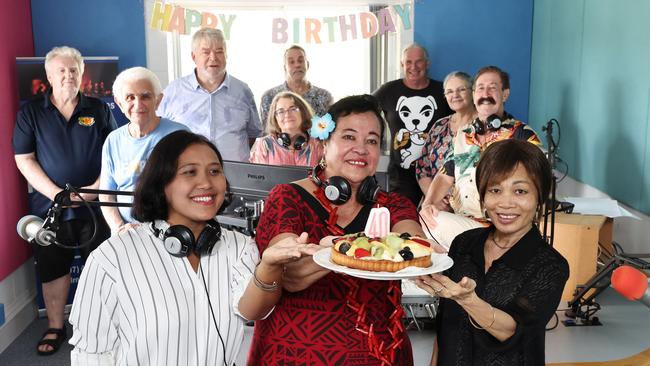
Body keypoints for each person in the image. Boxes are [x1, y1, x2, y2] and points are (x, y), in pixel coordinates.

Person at [69, 130, 319, 365]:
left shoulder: (239, 246)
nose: (206, 184)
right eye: (189, 172)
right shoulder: (112, 257)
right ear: (161, 183)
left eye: (214, 171)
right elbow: (91, 352)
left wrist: (269, 265)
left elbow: (251, 311)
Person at [248, 95, 441, 365]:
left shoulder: (394, 204)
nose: (361, 149)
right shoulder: (287, 198)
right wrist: (353, 247)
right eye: (349, 137)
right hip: (298, 355)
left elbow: (411, 240)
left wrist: (422, 251)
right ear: (324, 143)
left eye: (371, 141)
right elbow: (290, 275)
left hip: (379, 355)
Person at [416, 139, 570, 366]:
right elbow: (446, 320)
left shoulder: (550, 265)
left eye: (520, 191)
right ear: (483, 196)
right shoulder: (464, 244)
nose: (505, 203)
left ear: (539, 197)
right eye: (495, 190)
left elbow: (513, 330)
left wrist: (468, 300)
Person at [12, 46, 116, 356]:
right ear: (48, 75)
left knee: (102, 268)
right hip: (50, 208)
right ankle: (56, 326)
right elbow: (24, 159)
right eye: (62, 70)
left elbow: (114, 155)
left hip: (96, 206)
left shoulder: (99, 109)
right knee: (53, 268)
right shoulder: (30, 112)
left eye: (73, 70)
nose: (68, 75)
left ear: (82, 74)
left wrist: (95, 191)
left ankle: (105, 325)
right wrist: (57, 194)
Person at [419, 66, 542, 249]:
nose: (486, 93)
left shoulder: (521, 134)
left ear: (505, 94)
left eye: (492, 87)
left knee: (434, 232)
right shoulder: (464, 134)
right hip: (463, 219)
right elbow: (445, 175)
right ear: (474, 95)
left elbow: (539, 181)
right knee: (427, 216)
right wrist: (428, 204)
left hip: (499, 224)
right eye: (480, 88)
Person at [99, 67, 188, 235]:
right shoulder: (113, 140)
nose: (138, 104)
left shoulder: (180, 136)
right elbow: (106, 195)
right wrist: (119, 227)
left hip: (171, 232)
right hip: (126, 233)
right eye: (130, 97)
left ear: (158, 100)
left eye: (145, 96)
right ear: (119, 103)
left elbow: (190, 188)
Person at [157, 27, 262, 162]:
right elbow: (159, 133)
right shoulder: (174, 91)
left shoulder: (243, 91)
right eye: (206, 52)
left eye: (219, 51)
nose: (213, 57)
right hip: (187, 172)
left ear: (226, 56)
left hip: (235, 174)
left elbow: (254, 135)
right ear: (194, 57)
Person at [373, 43, 452, 206]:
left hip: (438, 173)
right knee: (402, 216)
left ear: (427, 63)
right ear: (402, 65)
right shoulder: (389, 91)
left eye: (419, 61)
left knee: (436, 220)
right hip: (401, 174)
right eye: (408, 62)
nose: (413, 67)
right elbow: (363, 106)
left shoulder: (442, 91)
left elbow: (462, 116)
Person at [415, 71, 476, 195]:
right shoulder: (440, 125)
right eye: (449, 92)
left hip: (470, 207)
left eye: (461, 89)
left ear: (473, 91)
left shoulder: (483, 126)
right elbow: (422, 167)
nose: (455, 95)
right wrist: (433, 199)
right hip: (434, 206)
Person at [259, 45, 333, 129]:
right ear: (285, 68)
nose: (297, 65)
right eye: (291, 62)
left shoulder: (324, 96)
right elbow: (266, 133)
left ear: (307, 65)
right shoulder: (269, 97)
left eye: (300, 61)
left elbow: (329, 131)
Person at [250, 91, 323, 166]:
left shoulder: (318, 145)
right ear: (275, 118)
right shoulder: (263, 145)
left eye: (293, 109)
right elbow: (257, 176)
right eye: (281, 111)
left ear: (303, 112)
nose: (287, 115)